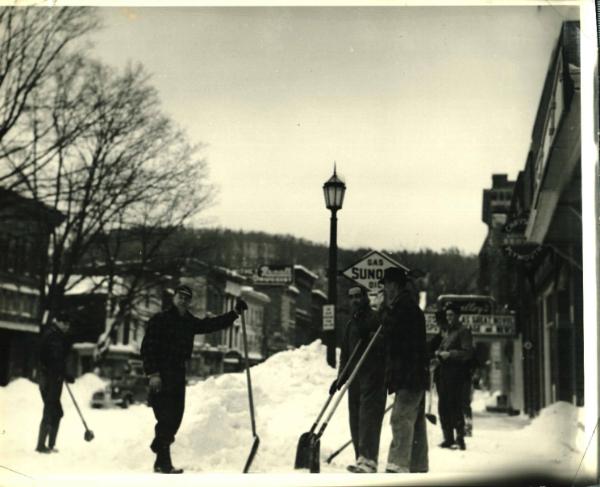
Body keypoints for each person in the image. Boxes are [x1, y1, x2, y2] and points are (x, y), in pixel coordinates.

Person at [141, 284, 247, 474]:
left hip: (178, 372)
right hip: (161, 373)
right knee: (165, 417)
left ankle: (159, 447)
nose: (183, 300)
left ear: (189, 302)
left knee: (176, 417)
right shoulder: (160, 320)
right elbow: (147, 348)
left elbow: (210, 325)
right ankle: (163, 462)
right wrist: (153, 374)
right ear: (174, 298)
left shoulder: (188, 322)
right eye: (180, 296)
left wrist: (234, 313)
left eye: (186, 298)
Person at [332, 285, 386, 474]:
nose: (355, 300)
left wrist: (372, 336)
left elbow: (386, 341)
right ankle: (360, 457)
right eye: (351, 297)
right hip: (354, 378)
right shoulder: (350, 324)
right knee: (355, 418)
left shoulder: (376, 318)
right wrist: (340, 377)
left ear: (365, 298)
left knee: (368, 418)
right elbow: (345, 354)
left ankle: (369, 459)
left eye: (358, 296)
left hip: (373, 376)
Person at [379, 267, 429, 473]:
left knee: (400, 418)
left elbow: (392, 334)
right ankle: (418, 465)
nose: (385, 289)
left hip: (409, 373)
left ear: (395, 285)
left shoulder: (402, 308)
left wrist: (383, 311)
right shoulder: (405, 306)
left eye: (387, 284)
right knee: (414, 421)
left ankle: (398, 464)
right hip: (413, 373)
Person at [432, 303, 473, 450]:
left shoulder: (463, 331)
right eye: (447, 315)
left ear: (457, 315)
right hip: (443, 374)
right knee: (443, 406)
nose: (449, 318)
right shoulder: (447, 332)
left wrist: (450, 354)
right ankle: (448, 438)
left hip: (457, 375)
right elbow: (442, 348)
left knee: (455, 405)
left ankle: (460, 438)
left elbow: (467, 353)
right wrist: (438, 354)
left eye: (451, 315)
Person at [36, 311, 74, 453]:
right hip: (49, 379)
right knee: (51, 410)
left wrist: (64, 374)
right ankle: (41, 446)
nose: (67, 327)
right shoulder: (54, 336)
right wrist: (65, 374)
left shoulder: (55, 335)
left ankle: (50, 445)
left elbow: (57, 359)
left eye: (68, 324)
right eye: (65, 323)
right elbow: (55, 359)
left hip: (52, 378)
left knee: (56, 412)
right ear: (58, 321)